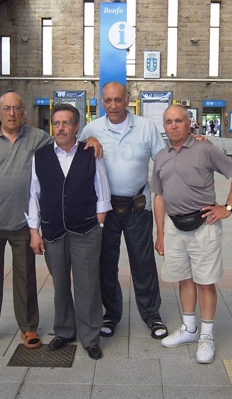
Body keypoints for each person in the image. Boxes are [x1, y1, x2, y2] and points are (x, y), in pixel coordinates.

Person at [0, 91, 102, 351]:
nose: (12, 113)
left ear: (24, 113)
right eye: (6, 108)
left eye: (16, 108)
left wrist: (90, 139)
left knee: (26, 279)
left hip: (22, 225)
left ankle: (28, 328)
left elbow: (66, 139)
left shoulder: (38, 137)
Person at [152, 105, 232, 364]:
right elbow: (159, 196)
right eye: (169, 122)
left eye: (178, 121)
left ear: (189, 123)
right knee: (184, 279)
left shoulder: (204, 148)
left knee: (205, 281)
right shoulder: (161, 156)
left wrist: (227, 207)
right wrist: (160, 233)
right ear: (164, 126)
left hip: (204, 225)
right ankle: (189, 328)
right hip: (174, 226)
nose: (173, 126)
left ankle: (206, 335)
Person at [80, 81, 169, 341]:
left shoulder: (145, 127)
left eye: (118, 100)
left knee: (143, 264)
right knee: (106, 265)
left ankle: (152, 314)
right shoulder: (91, 129)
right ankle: (111, 314)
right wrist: (88, 140)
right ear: (101, 101)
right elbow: (72, 154)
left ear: (127, 100)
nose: (113, 105)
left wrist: (192, 143)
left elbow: (165, 160)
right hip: (105, 209)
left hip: (138, 207)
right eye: (108, 100)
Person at [27, 104, 112, 360]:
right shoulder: (41, 155)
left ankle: (90, 336)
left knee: (88, 284)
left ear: (76, 127)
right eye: (56, 123)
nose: (61, 128)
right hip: (53, 230)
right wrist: (34, 231)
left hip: (86, 230)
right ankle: (64, 330)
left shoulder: (90, 152)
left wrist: (99, 223)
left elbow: (102, 188)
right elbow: (33, 193)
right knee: (60, 283)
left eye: (66, 123)